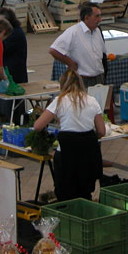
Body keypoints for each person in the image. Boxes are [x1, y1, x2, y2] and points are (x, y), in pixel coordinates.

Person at [33, 70, 105, 201]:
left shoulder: (59, 101)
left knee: (65, 194)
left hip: (66, 159)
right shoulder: (92, 101)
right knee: (84, 193)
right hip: (88, 158)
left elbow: (38, 126)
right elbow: (101, 131)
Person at [49, 2, 106, 88]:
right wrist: (70, 63)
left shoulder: (97, 31)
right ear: (86, 17)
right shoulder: (73, 32)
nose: (100, 19)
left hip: (98, 79)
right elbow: (53, 50)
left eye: (100, 16)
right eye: (97, 16)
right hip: (82, 80)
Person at [0, 7, 28, 84]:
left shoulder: (16, 34)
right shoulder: (9, 32)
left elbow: (0, 50)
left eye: (1, 22)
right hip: (9, 70)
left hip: (14, 75)